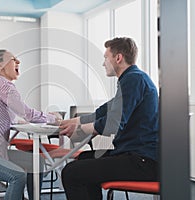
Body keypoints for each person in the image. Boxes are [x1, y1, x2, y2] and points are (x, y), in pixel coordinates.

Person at [59, 37, 159, 200]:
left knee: (71, 172)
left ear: (118, 58)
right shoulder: (133, 79)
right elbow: (104, 111)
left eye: (106, 57)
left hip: (143, 161)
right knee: (84, 158)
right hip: (136, 155)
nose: (103, 63)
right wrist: (74, 122)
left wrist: (80, 129)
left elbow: (113, 123)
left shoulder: (134, 79)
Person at [0, 49, 61, 200]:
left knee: (37, 162)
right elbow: (28, 113)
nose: (18, 62)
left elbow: (14, 117)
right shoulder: (4, 86)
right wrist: (53, 118)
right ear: (0, 66)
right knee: (17, 176)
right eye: (13, 59)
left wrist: (24, 120)